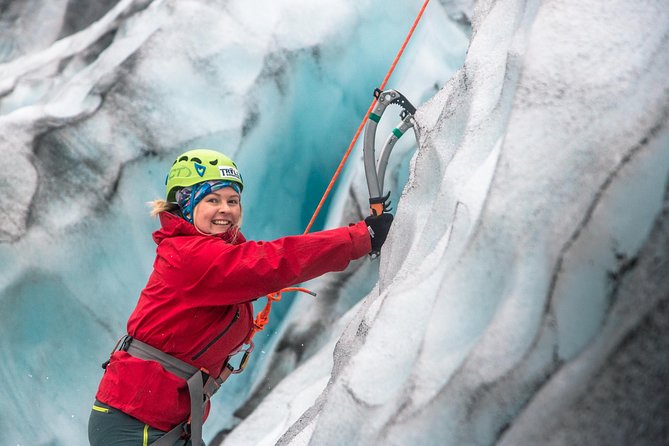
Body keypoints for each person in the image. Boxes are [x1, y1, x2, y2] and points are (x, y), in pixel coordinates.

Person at [88, 149, 393, 445]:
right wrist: (360, 236)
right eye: (212, 199)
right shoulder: (191, 257)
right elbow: (273, 261)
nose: (226, 209)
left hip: (158, 419)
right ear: (185, 204)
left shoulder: (206, 252)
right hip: (136, 422)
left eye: (232, 200)